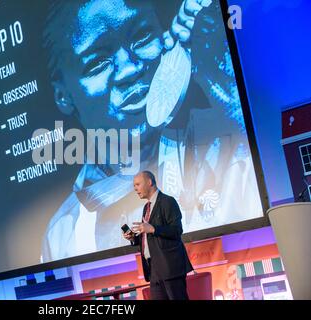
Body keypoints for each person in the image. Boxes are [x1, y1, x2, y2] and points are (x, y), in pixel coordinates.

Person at [41, 0, 263, 262]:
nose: (130, 69)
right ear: (62, 94)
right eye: (97, 63)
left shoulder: (236, 160)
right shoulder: (62, 233)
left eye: (142, 37)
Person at [124, 171, 193, 300]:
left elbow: (177, 230)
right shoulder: (146, 207)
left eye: (138, 184)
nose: (135, 189)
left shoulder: (167, 201)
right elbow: (149, 237)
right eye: (134, 186)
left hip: (170, 267)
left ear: (149, 182)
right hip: (154, 269)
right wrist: (134, 238)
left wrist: (153, 229)